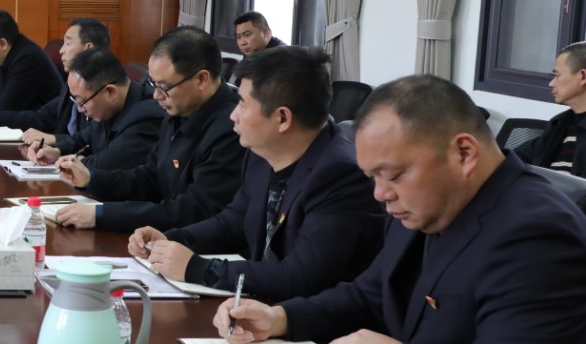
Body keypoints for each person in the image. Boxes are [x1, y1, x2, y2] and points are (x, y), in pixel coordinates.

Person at [215, 75, 586, 344]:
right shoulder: (429, 203)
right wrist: (281, 317)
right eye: (372, 178)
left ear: (464, 153)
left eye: (391, 175)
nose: (380, 194)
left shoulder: (536, 236)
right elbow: (372, 293)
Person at [128, 46, 383, 302]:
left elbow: (300, 277)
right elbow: (232, 222)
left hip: (310, 319)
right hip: (260, 307)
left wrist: (196, 268)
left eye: (242, 104)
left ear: (282, 118)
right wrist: (173, 239)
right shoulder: (261, 153)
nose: (233, 115)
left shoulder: (340, 175)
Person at [51, 26, 244, 231]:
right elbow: (150, 177)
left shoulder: (233, 128)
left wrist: (102, 215)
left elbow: (193, 210)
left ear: (201, 79)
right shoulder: (178, 109)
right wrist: (92, 179)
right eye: (153, 84)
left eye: (164, 87)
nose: (156, 95)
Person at [0, 17, 110, 140]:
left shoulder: (102, 92)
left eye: (68, 43)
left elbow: (90, 143)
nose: (61, 50)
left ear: (88, 48)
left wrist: (54, 140)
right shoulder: (73, 83)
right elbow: (43, 116)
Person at [24, 48, 163, 171]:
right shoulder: (107, 107)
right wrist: (57, 150)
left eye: (82, 102)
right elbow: (83, 138)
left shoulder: (147, 117)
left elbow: (107, 163)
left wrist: (70, 161)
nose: (80, 109)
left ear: (110, 92)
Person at [515, 42, 586, 175]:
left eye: (557, 75)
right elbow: (517, 157)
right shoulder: (560, 123)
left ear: (583, 76)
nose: (551, 83)